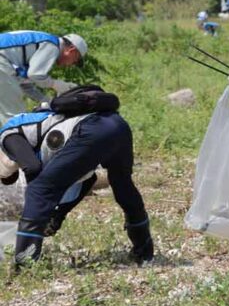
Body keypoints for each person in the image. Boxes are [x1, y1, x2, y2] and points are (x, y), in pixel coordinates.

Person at [0, 86, 153, 266]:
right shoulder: (41, 125)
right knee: (123, 186)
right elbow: (88, 180)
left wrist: (42, 211)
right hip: (118, 125)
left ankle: (25, 264)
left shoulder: (7, 133)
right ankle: (145, 252)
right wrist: (58, 216)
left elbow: (32, 169)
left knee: (38, 190)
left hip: (90, 129)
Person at [0, 31, 87, 118]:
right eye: (75, 60)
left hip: (4, 59)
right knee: (15, 116)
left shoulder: (39, 45)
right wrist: (55, 84)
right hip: (2, 60)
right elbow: (35, 74)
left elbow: (26, 85)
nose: (71, 64)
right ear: (72, 50)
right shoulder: (52, 45)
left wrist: (48, 101)